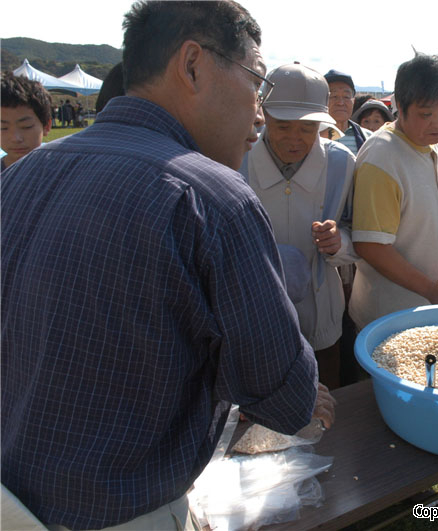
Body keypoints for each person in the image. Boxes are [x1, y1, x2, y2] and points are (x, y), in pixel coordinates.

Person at [1, 2, 334, 529]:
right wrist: (302, 388)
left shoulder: (20, 176)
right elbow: (287, 397)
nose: (257, 111)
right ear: (193, 65)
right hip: (124, 510)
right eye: (257, 82)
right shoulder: (216, 197)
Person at [240, 62, 358, 390]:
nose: (295, 139)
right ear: (264, 116)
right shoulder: (238, 157)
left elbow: (354, 229)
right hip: (255, 311)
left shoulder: (340, 162)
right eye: (283, 126)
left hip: (322, 308)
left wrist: (340, 242)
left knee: (326, 391)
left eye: (307, 129)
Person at [349, 53, 438, 330]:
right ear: (398, 107)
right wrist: (430, 288)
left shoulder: (434, 146)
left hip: (425, 308)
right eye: (426, 114)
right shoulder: (383, 157)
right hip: (389, 315)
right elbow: (371, 245)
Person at [1, 72, 52, 172]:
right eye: (3, 128)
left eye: (26, 126)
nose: (15, 138)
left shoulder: (63, 172)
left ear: (46, 126)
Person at [323, 69, 371, 154]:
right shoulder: (312, 137)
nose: (341, 103)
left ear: (353, 101)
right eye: (334, 96)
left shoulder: (368, 138)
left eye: (346, 97)